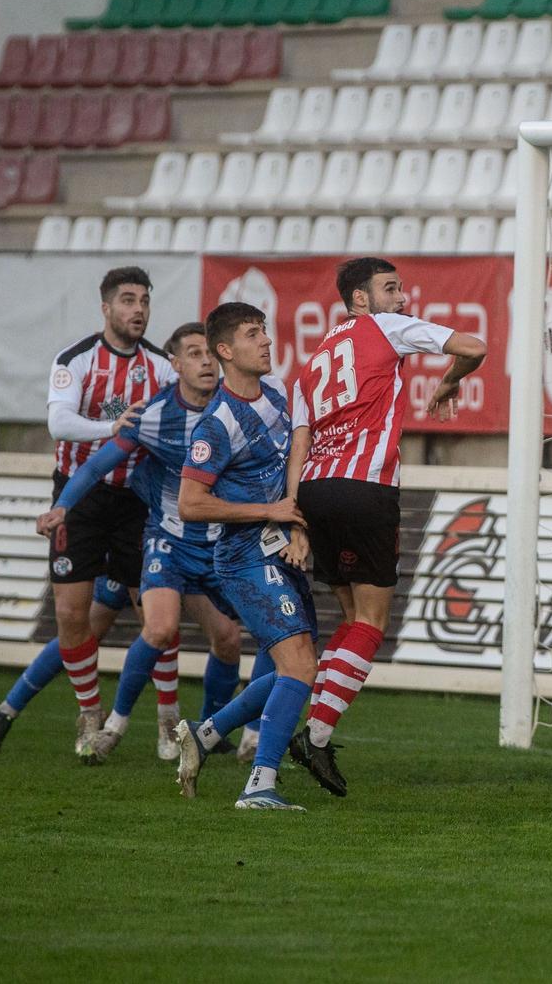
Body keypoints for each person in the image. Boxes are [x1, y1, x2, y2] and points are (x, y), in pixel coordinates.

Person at [285, 257, 485, 798]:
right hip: (365, 489)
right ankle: (318, 736)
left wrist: (292, 506)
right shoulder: (386, 326)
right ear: (360, 301)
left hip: (315, 490)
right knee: (373, 622)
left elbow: (299, 440)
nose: (402, 297)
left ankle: (312, 728)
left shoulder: (311, 362)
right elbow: (474, 347)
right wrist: (448, 384)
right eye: (390, 288)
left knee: (350, 617)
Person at [0, 266, 176, 760]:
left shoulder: (161, 367)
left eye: (145, 301)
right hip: (79, 496)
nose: (138, 309)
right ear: (106, 307)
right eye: (128, 300)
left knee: (157, 610)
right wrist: (111, 428)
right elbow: (59, 421)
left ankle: (167, 721)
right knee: (71, 616)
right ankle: (90, 712)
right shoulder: (76, 359)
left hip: (137, 500)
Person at [33, 322, 245, 763]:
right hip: (168, 540)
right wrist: (63, 507)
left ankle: (209, 729)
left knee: (229, 638)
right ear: (175, 365)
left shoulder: (238, 408)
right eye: (194, 353)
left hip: (219, 541)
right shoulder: (152, 415)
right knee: (159, 627)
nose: (206, 362)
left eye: (210, 353)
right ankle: (116, 722)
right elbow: (94, 467)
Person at [173, 302, 314, 812]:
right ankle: (259, 784)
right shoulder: (215, 425)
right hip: (243, 558)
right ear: (226, 351)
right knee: (299, 664)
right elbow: (190, 503)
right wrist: (270, 510)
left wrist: (295, 524)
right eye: (254, 335)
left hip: (280, 549)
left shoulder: (277, 393)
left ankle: (204, 734)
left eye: (265, 332)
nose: (267, 342)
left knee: (293, 665)